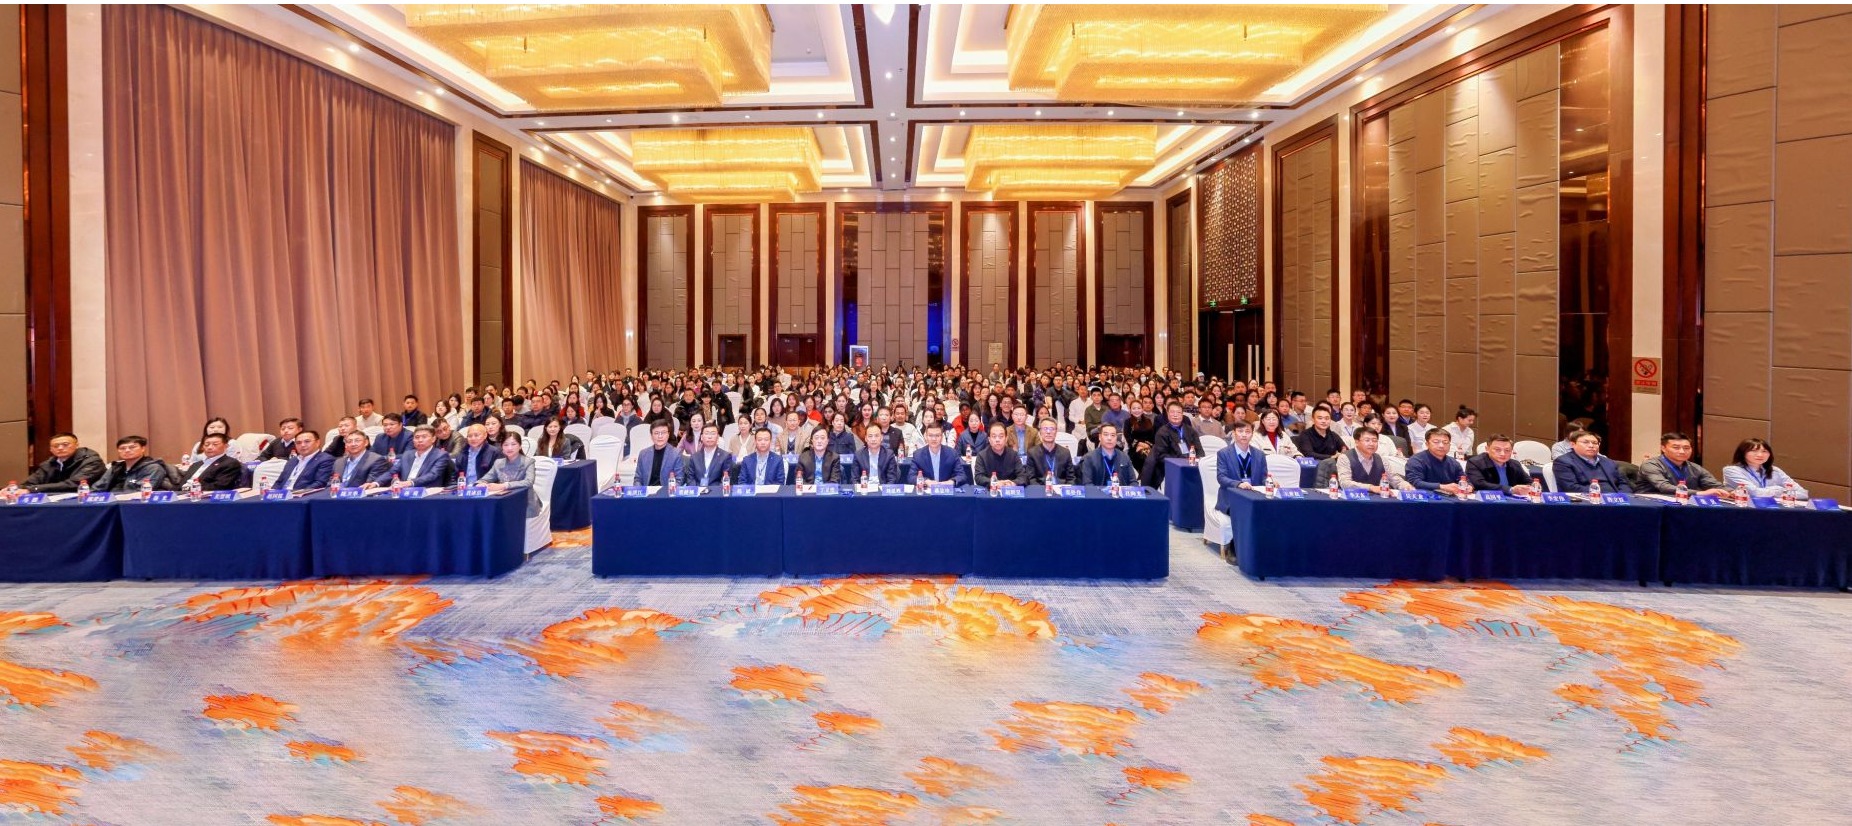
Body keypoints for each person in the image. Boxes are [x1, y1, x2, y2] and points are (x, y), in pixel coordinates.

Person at [1637, 432, 1725, 497]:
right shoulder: (1651, 464)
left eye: (1686, 448)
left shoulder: (1695, 467)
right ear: (1663, 448)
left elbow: (1715, 485)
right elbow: (1664, 487)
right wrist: (1700, 493)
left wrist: (1730, 492)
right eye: (1676, 448)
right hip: (1650, 504)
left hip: (1683, 503)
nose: (1682, 451)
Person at [1721, 437, 1809, 499]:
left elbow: (1803, 494)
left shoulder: (1775, 471)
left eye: (1764, 451)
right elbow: (1754, 493)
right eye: (1754, 451)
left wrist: (1769, 492)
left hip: (1774, 510)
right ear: (1742, 453)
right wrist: (1778, 490)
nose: (1760, 455)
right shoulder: (1732, 470)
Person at [1142, 401, 1204, 489]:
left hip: (1191, 466)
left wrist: (1197, 461)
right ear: (1167, 413)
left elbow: (1200, 451)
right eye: (1172, 412)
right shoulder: (1162, 432)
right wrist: (1181, 461)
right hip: (1170, 467)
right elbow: (1161, 456)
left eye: (1178, 412)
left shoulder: (1191, 431)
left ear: (1182, 414)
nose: (1175, 415)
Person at [482, 432, 542, 517]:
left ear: (520, 446)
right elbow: (486, 478)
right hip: (505, 501)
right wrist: (480, 484)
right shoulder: (498, 463)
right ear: (502, 447)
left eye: (513, 444)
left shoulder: (528, 462)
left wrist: (504, 486)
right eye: (506, 445)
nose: (509, 448)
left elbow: (528, 482)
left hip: (525, 502)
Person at [1335, 428, 1411, 494]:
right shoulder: (1345, 457)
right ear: (1357, 442)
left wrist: (1406, 486)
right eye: (1367, 440)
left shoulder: (1382, 459)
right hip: (1352, 500)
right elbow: (1345, 483)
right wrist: (1371, 488)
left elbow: (1394, 479)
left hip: (1376, 500)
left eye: (1374, 440)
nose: (1371, 444)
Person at [22, 432, 105, 493]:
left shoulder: (92, 461)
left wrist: (34, 489)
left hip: (87, 501)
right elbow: (28, 484)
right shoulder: (48, 464)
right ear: (51, 449)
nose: (60, 448)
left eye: (65, 444)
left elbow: (74, 484)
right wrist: (20, 489)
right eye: (56, 446)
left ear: (77, 445)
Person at [1550, 430, 1627, 494]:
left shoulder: (1608, 462)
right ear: (1573, 444)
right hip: (1586, 501)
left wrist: (1622, 496)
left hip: (1616, 500)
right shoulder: (1563, 462)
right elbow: (1570, 487)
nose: (1591, 446)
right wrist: (1602, 494)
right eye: (1585, 442)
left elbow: (1624, 483)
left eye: (1595, 443)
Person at [1214, 421, 1268, 514]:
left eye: (1247, 431)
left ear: (1252, 434)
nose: (1244, 435)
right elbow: (1221, 477)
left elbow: (1263, 477)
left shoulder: (1260, 454)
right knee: (1245, 513)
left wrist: (1269, 482)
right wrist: (1239, 484)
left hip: (1255, 497)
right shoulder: (1223, 453)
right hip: (1231, 497)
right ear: (1234, 433)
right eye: (1240, 431)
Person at [95, 436, 177, 493]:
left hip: (138, 505)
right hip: (111, 504)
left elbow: (141, 492)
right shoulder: (116, 467)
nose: (127, 450)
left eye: (132, 447)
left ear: (143, 449)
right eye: (122, 448)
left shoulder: (154, 468)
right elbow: (98, 487)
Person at [381, 426, 454, 489]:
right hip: (404, 490)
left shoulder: (441, 455)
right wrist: (376, 483)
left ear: (433, 439)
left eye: (424, 437)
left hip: (426, 491)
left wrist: (410, 483)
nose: (420, 440)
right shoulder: (407, 454)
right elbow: (392, 472)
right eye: (417, 437)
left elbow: (433, 475)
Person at [1465, 435, 1539, 496]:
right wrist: (1510, 490)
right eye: (1497, 450)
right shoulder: (1475, 462)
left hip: (1512, 501)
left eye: (1507, 450)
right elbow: (1479, 484)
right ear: (1487, 449)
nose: (1502, 454)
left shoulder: (1515, 464)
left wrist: (1530, 487)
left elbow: (1529, 482)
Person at [1402, 429, 1471, 495]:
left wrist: (1469, 486)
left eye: (1445, 442)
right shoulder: (1416, 460)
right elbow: (1415, 482)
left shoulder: (1453, 462)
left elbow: (1464, 479)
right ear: (1427, 444)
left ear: (1450, 445)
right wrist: (1442, 487)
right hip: (1424, 499)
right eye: (1436, 442)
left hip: (1451, 498)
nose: (1441, 446)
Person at [177, 433, 243, 491]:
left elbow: (220, 486)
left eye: (215, 444)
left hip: (204, 496)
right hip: (182, 495)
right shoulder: (196, 464)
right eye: (206, 444)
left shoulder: (230, 463)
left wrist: (191, 489)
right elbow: (181, 485)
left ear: (226, 446)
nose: (209, 447)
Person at [910, 421, 969, 486]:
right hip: (927, 490)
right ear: (926, 437)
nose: (934, 439)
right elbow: (911, 477)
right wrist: (926, 481)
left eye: (937, 435)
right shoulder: (918, 455)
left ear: (942, 437)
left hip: (946, 490)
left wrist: (951, 482)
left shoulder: (952, 453)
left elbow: (961, 475)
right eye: (930, 435)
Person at [678, 423, 736, 488]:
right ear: (701, 437)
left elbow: (725, 480)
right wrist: (696, 491)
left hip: (716, 492)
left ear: (718, 437)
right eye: (707, 433)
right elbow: (690, 479)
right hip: (697, 492)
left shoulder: (725, 456)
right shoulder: (694, 457)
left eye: (713, 434)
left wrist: (712, 492)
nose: (709, 437)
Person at [1022, 418, 1076, 485]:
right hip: (1041, 489)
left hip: (1061, 489)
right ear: (1040, 432)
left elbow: (1071, 478)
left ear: (1056, 432)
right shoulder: (1032, 453)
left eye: (1052, 429)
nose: (1048, 432)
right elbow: (1031, 479)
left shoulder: (1065, 453)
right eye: (1045, 429)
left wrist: (1065, 489)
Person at [631, 421, 685, 487]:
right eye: (656, 433)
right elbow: (638, 478)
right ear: (651, 436)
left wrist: (670, 490)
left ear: (668, 434)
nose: (660, 436)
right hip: (647, 491)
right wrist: (639, 490)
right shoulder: (643, 454)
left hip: (666, 491)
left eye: (663, 433)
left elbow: (679, 479)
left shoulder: (676, 453)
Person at [973, 421, 1023, 488]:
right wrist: (995, 483)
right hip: (991, 491)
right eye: (994, 436)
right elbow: (979, 477)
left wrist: (1013, 483)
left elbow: (1023, 476)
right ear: (989, 439)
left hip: (1009, 491)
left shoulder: (1013, 455)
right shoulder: (982, 456)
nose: (997, 440)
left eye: (1001, 436)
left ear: (1006, 439)